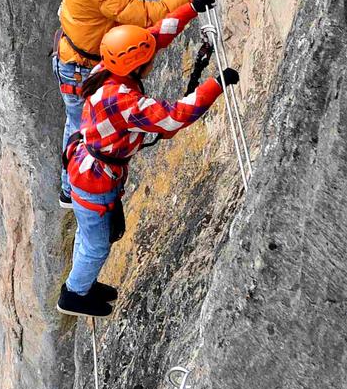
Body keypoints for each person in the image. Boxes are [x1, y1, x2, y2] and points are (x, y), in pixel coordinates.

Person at [57, 24, 237, 317]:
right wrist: (216, 84)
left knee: (90, 235)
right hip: (95, 182)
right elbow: (172, 117)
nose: (152, 62)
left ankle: (82, 284)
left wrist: (191, 8)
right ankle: (75, 294)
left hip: (87, 168)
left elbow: (148, 39)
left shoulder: (106, 69)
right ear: (136, 67)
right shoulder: (123, 101)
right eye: (147, 62)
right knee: (96, 246)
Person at [51, 0, 215, 204]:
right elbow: (146, 16)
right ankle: (71, 188)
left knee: (74, 119)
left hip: (76, 58)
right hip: (80, 66)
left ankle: (67, 187)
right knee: (80, 127)